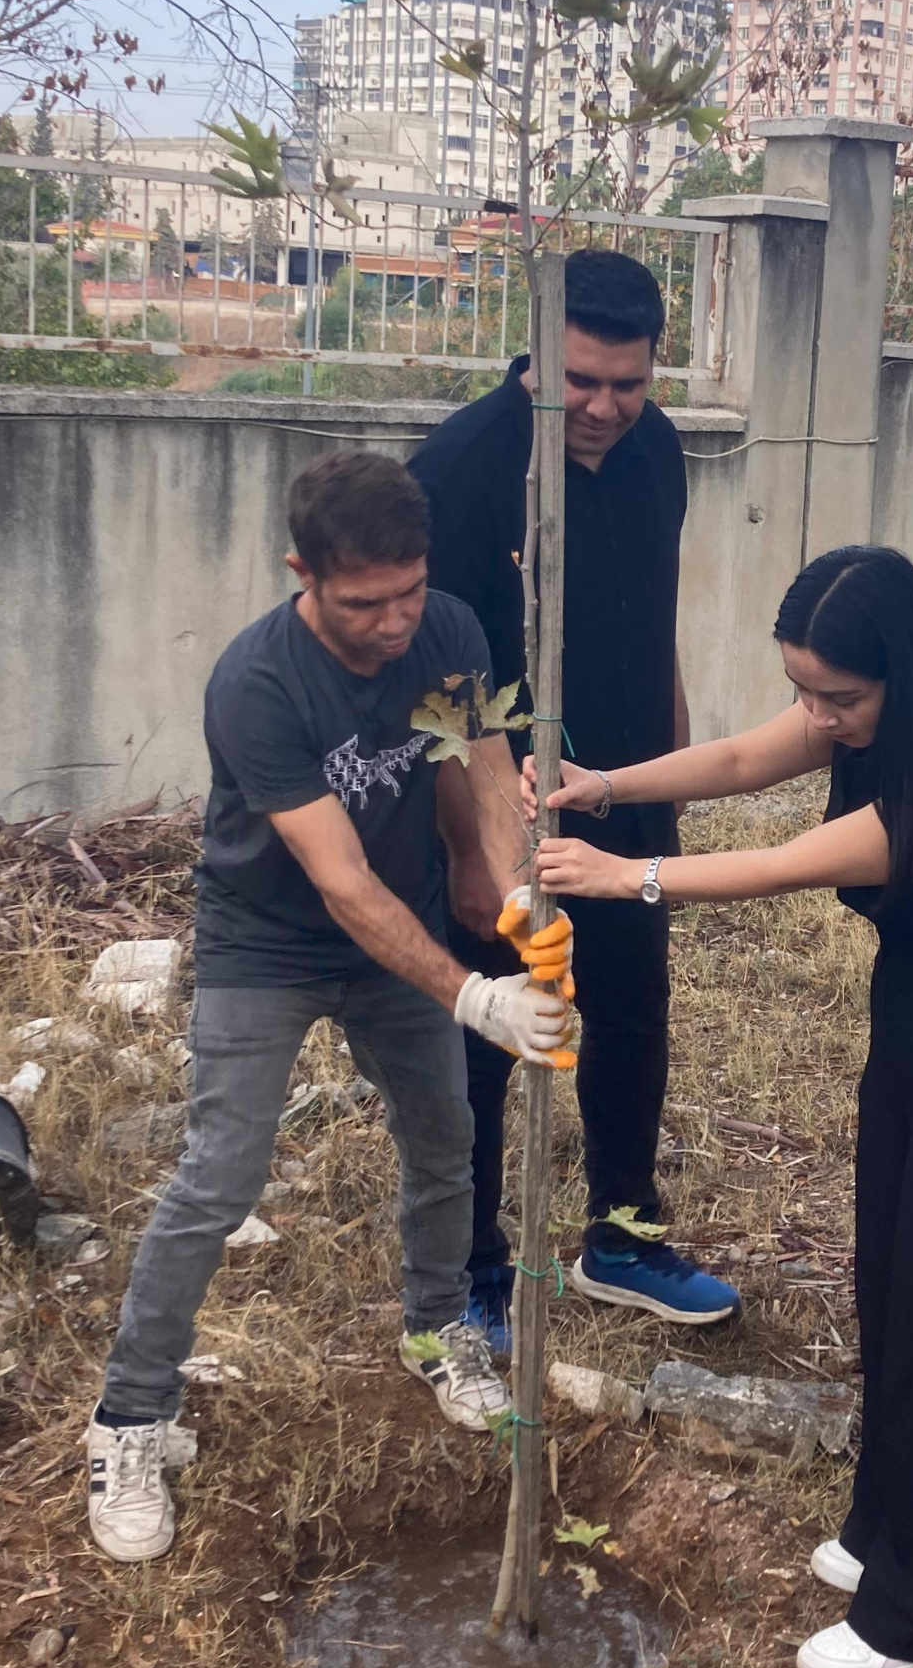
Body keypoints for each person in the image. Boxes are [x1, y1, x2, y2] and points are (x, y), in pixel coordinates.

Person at [532, 544, 913, 1668]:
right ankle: (889, 1524)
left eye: (837, 697)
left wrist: (625, 875)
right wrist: (606, 787)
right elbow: (747, 758)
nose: (818, 717)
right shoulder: (878, 711)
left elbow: (787, 862)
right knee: (896, 1293)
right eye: (804, 689)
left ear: (902, 670)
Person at [84, 450, 575, 1564]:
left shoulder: (449, 629)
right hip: (269, 943)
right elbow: (340, 881)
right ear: (302, 573)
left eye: (410, 590)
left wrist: (514, 898)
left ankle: (437, 1328)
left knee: (445, 1135)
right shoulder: (256, 684)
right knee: (220, 1174)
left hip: (398, 924)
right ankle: (128, 1418)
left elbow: (482, 773)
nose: (396, 622)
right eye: (365, 603)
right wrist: (473, 996)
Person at [409, 249, 739, 1340]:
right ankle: (470, 1269)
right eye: (580, 382)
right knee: (489, 1034)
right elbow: (442, 688)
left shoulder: (659, 450)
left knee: (634, 1008)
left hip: (624, 788)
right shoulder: (461, 470)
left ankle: (623, 1238)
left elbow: (656, 605)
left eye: (627, 384)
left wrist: (672, 745)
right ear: (536, 357)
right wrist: (481, 846)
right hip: (498, 797)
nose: (603, 408)